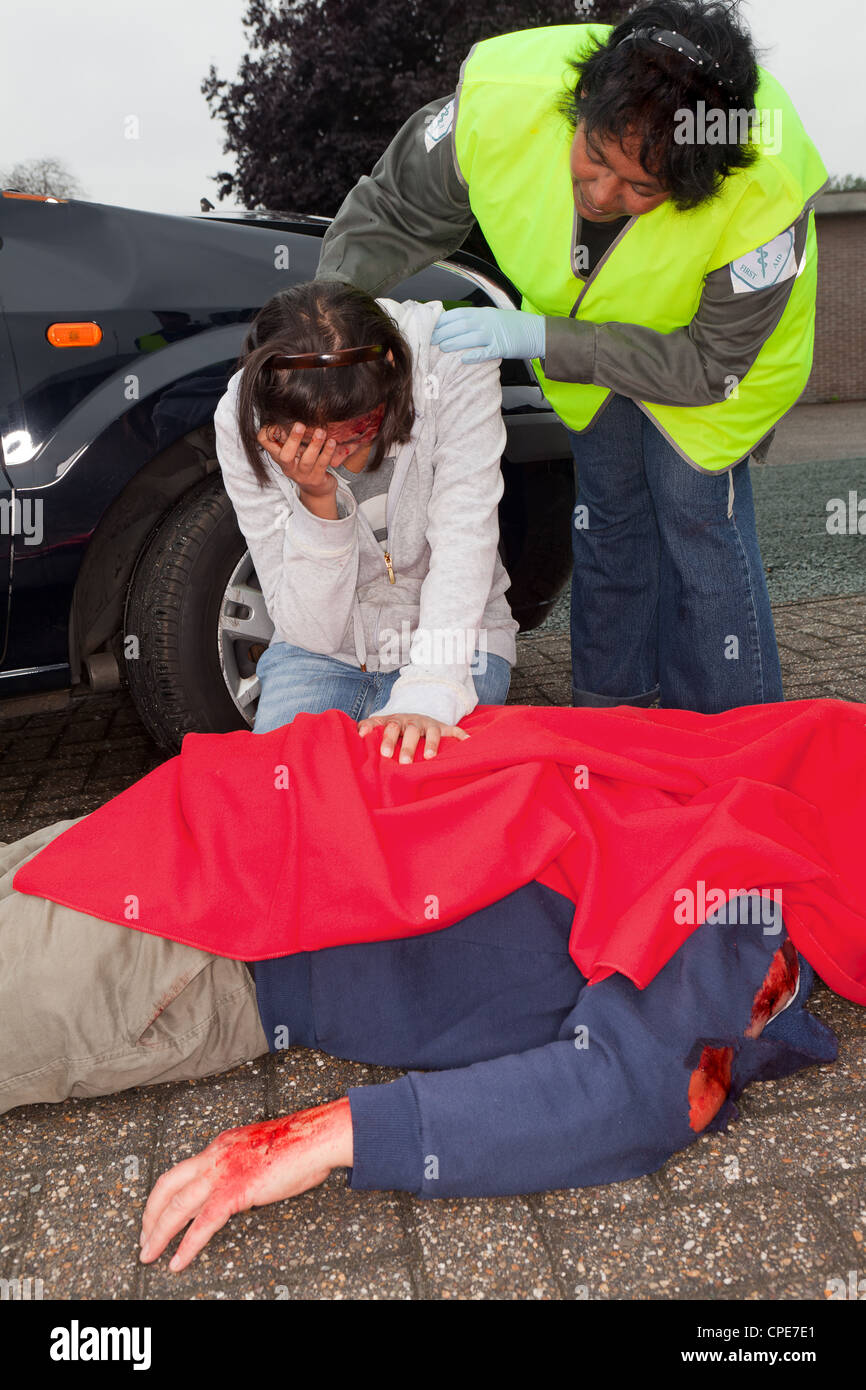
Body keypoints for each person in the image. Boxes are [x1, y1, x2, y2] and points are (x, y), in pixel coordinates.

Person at [0, 811, 837, 1275]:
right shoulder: (748, 841)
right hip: (186, 852)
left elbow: (626, 1091)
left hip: (192, 940)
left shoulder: (747, 931)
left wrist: (320, 1137)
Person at [314, 1, 829, 715]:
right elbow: (392, 212)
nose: (602, 193)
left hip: (718, 363)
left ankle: (731, 741)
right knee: (610, 520)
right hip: (591, 355)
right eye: (596, 157)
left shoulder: (763, 184)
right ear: (581, 104)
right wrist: (324, 324)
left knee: (693, 515)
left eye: (641, 188)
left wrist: (541, 340)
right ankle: (614, 728)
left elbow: (713, 363)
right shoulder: (497, 104)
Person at [214, 279, 518, 760]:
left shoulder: (454, 362)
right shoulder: (242, 419)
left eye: (360, 425)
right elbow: (310, 631)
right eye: (309, 438)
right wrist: (317, 501)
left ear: (392, 373)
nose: (338, 450)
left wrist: (430, 691)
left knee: (417, 802)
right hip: (323, 651)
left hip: (457, 638)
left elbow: (466, 535)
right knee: (284, 793)